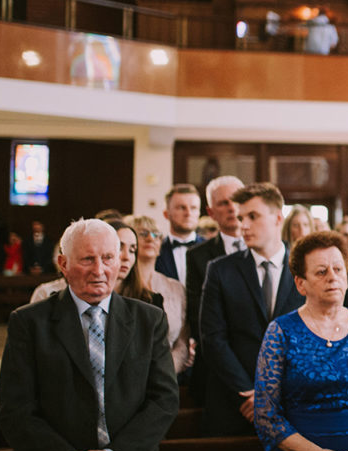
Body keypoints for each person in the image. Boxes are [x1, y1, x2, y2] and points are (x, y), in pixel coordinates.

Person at [0, 219, 178, 451]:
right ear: (63, 264)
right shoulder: (29, 323)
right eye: (87, 259)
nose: (99, 270)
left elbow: (164, 399)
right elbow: (15, 409)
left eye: (108, 258)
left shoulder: (148, 320)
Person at [254, 231, 348, 451]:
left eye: (338, 269)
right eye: (321, 271)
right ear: (300, 283)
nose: (332, 278)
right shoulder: (281, 331)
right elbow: (266, 416)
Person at [200, 183, 304, 436]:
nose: (242, 225)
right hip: (235, 402)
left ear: (278, 218)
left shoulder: (305, 268)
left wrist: (277, 393)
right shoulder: (220, 270)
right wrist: (250, 393)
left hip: (293, 401)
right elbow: (213, 338)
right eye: (240, 218)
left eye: (252, 217)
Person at [185, 175, 246, 405]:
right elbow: (198, 314)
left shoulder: (268, 249)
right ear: (211, 213)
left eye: (236, 200)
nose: (232, 207)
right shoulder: (198, 256)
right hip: (217, 371)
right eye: (223, 203)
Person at [129, 214, 193, 375]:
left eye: (156, 235)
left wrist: (165, 372)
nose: (151, 238)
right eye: (143, 234)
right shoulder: (120, 285)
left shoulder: (175, 288)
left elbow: (182, 341)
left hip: (168, 374)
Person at [155, 183, 202, 282]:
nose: (188, 213)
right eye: (181, 208)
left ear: (199, 213)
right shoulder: (156, 251)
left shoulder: (212, 249)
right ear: (166, 214)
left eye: (193, 208)